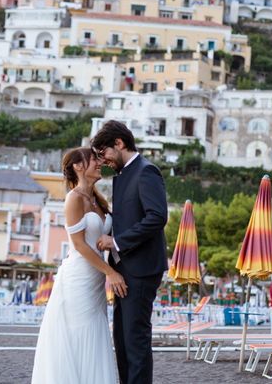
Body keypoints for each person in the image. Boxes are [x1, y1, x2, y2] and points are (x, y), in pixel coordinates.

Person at [31, 147, 125, 384]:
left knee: (94, 337)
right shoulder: (74, 199)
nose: (98, 162)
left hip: (94, 281)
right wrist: (111, 273)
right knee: (78, 337)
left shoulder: (96, 199)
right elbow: (81, 246)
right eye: (93, 159)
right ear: (78, 166)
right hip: (79, 279)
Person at [92, 120, 168, 384]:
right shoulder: (123, 176)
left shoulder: (146, 171)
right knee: (122, 342)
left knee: (135, 341)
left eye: (104, 153)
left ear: (119, 143)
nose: (103, 161)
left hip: (143, 269)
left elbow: (157, 217)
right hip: (124, 269)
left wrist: (116, 242)